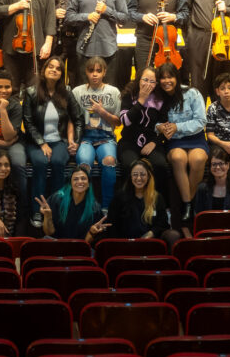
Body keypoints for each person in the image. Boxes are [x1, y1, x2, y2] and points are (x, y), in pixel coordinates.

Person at [23, 56, 82, 228]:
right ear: (44, 70)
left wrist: (75, 142)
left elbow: (78, 119)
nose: (54, 70)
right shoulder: (31, 92)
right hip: (36, 141)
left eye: (58, 68)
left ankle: (56, 208)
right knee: (40, 163)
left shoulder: (66, 92)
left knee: (57, 163)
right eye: (51, 66)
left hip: (59, 141)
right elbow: (28, 122)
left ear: (61, 74)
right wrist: (42, 143)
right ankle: (37, 210)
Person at [66, 0, 129, 87]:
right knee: (84, 91)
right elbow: (69, 17)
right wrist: (87, 17)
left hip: (109, 50)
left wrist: (107, 11)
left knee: (108, 91)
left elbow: (124, 18)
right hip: (84, 49)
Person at [157, 63, 208, 223]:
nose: (167, 81)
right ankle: (188, 204)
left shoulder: (192, 93)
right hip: (174, 141)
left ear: (176, 78)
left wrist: (177, 127)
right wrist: (160, 127)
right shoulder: (157, 97)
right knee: (178, 158)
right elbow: (152, 121)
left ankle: (189, 203)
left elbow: (201, 121)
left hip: (195, 138)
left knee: (198, 159)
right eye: (163, 78)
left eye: (170, 77)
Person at [73, 57, 121, 210]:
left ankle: (107, 208)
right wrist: (72, 140)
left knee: (109, 161)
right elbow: (71, 119)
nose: (95, 74)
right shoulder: (77, 91)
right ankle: (86, 206)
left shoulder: (113, 91)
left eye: (98, 71)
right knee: (84, 164)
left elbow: (118, 122)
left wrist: (102, 111)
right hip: (85, 137)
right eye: (91, 70)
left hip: (106, 137)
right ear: (86, 72)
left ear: (104, 72)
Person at [128, 0, 188, 76]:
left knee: (168, 77)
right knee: (144, 76)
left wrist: (174, 17)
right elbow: (129, 12)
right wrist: (142, 17)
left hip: (168, 42)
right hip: (145, 40)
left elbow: (186, 13)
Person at [117, 66, 171, 195]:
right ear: (138, 79)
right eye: (145, 80)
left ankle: (157, 201)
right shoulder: (129, 95)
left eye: (152, 82)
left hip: (152, 142)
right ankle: (129, 200)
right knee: (130, 166)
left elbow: (165, 127)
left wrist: (154, 143)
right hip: (129, 142)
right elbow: (125, 121)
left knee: (160, 165)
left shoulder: (161, 99)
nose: (148, 84)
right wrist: (141, 100)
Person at [106, 159, 181, 247]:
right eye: (135, 174)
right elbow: (112, 226)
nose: (139, 178)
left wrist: (152, 233)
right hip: (126, 244)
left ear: (148, 176)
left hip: (150, 243)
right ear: (130, 177)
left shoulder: (157, 197)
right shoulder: (119, 197)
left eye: (142, 174)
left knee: (173, 235)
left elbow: (163, 224)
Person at [36, 165, 109, 242]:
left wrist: (91, 233)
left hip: (79, 247)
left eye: (83, 178)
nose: (80, 182)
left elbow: (85, 243)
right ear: (70, 184)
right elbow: (49, 233)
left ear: (88, 184)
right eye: (75, 179)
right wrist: (48, 216)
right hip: (56, 244)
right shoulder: (57, 199)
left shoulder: (95, 208)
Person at [46, 0, 86, 85]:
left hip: (79, 37)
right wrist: (53, 13)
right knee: (56, 79)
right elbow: (43, 9)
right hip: (58, 37)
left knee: (77, 80)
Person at [193, 148, 230, 213]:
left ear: (228, 165)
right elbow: (198, 214)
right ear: (210, 167)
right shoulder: (202, 188)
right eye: (214, 164)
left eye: (221, 163)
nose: (217, 167)